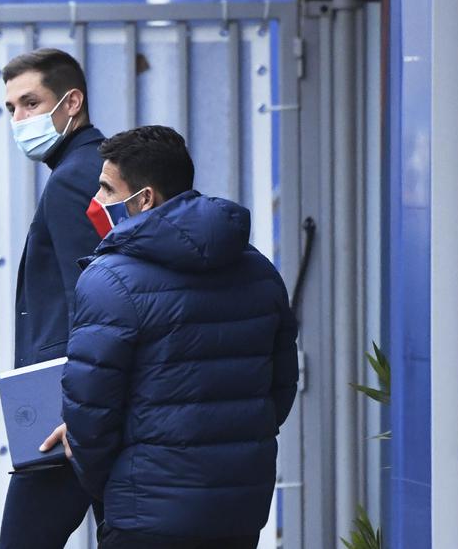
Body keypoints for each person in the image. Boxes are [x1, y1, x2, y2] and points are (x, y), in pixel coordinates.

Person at [53, 125, 299, 549]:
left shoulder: (108, 279)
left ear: (144, 198)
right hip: (238, 512)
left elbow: (91, 412)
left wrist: (107, 485)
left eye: (108, 190)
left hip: (145, 515)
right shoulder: (259, 270)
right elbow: (279, 389)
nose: (98, 202)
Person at [0, 48, 106, 549]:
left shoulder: (72, 181)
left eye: (31, 103)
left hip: (66, 413)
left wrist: (78, 408)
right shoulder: (99, 165)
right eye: (11, 108)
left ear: (72, 102)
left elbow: (97, 304)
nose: (20, 119)